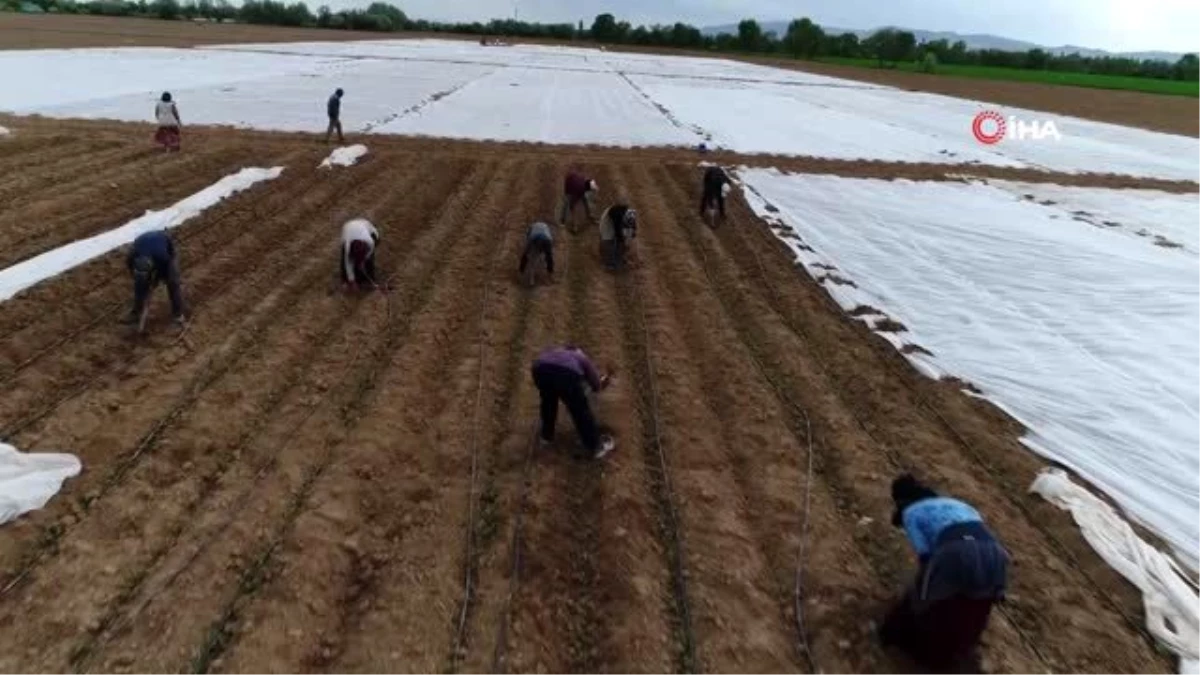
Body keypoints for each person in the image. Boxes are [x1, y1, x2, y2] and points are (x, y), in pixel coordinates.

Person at [880, 474, 1009, 669]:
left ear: (900, 500)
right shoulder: (959, 504)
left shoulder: (911, 513)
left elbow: (925, 555)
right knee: (978, 605)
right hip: (996, 553)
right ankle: (960, 654)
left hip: (955, 552)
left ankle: (902, 640)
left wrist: (924, 585)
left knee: (927, 599)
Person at [531, 344, 615, 459]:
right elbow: (596, 386)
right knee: (580, 410)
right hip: (566, 374)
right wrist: (604, 381)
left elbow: (550, 366)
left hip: (539, 369)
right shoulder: (581, 357)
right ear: (578, 351)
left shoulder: (555, 351)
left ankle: (546, 437)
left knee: (548, 403)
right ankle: (595, 447)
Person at [121, 229, 185, 331]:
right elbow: (131, 270)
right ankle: (136, 312)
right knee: (139, 286)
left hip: (167, 249)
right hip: (146, 243)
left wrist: (156, 279)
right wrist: (143, 281)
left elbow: (166, 266)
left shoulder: (162, 257)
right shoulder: (132, 257)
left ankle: (178, 316)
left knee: (172, 284)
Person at [340, 217, 380, 292]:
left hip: (367, 226)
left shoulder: (370, 242)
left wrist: (362, 261)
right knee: (346, 261)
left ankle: (368, 279)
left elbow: (369, 255)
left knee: (369, 260)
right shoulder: (347, 245)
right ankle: (346, 280)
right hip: (348, 227)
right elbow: (348, 263)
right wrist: (352, 281)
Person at [598, 203, 637, 270]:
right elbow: (618, 233)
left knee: (623, 241)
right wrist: (622, 239)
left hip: (618, 220)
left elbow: (632, 230)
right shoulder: (617, 217)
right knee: (608, 240)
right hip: (609, 219)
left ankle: (619, 257)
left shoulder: (630, 214)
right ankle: (609, 263)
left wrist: (627, 241)